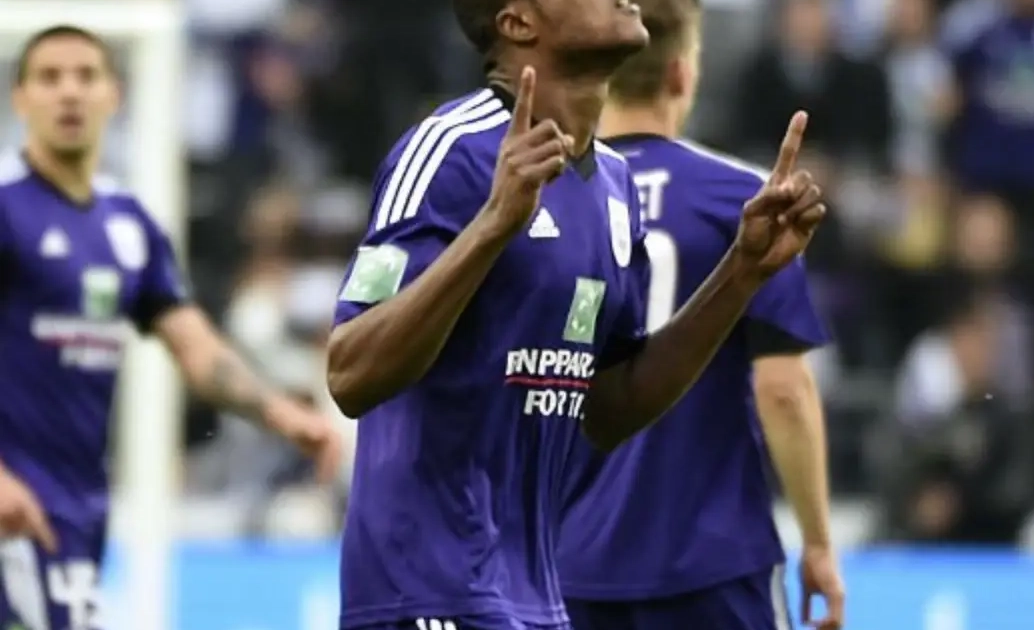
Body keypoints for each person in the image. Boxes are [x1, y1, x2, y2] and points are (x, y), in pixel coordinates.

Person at [324, 0, 827, 627]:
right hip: (430, 592)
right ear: (518, 23)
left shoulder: (613, 184)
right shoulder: (451, 150)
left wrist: (743, 272)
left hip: (534, 598)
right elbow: (349, 372)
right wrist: (492, 227)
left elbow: (612, 406)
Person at [0, 25, 341, 630]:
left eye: (86, 76)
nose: (70, 92)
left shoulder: (128, 226)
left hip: (73, 507)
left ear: (114, 95)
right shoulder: (6, 208)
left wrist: (281, 414)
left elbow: (195, 347)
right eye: (50, 78)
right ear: (20, 99)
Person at [554, 1, 845, 629]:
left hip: (569, 560)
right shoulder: (745, 202)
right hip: (710, 560)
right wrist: (819, 543)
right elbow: (783, 390)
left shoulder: (553, 200)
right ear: (682, 74)